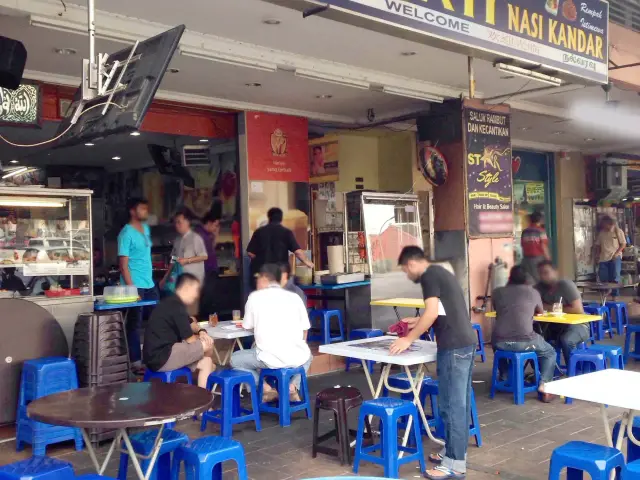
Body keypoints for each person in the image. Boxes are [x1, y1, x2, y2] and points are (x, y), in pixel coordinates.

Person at [392, 246, 477, 480]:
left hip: (454, 346)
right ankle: (451, 452)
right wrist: (417, 320)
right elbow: (442, 310)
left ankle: (455, 464)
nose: (407, 275)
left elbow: (431, 313)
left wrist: (408, 338)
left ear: (411, 264)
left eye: (405, 270)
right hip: (464, 343)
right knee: (455, 404)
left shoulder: (429, 276)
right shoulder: (441, 272)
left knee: (452, 406)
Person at [230, 263, 312, 403]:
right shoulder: (295, 298)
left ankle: (265, 388)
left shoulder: (255, 297)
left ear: (263, 279)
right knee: (307, 356)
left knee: (234, 359)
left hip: (269, 357)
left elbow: (248, 325)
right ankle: (291, 387)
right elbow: (305, 329)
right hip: (296, 355)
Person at [492, 266, 556, 403]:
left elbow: (499, 309)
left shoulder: (497, 292)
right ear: (527, 279)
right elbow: (539, 312)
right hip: (525, 340)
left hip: (500, 342)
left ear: (509, 278)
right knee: (549, 352)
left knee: (496, 341)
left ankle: (505, 376)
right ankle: (545, 385)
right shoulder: (533, 292)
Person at [143, 273, 215, 388]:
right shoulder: (176, 307)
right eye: (196, 290)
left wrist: (201, 331)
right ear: (186, 288)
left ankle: (203, 403)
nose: (197, 295)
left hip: (156, 357)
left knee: (206, 363)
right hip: (162, 356)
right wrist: (204, 338)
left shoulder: (170, 302)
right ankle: (210, 370)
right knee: (208, 344)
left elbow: (191, 321)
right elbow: (191, 340)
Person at [118, 198, 159, 370]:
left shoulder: (146, 229)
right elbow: (123, 265)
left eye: (146, 209)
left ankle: (155, 356)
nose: (145, 212)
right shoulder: (125, 234)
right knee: (134, 323)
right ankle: (135, 361)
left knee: (158, 320)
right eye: (142, 209)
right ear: (132, 211)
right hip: (135, 285)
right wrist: (131, 289)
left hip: (149, 283)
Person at [535, 260, 589, 366]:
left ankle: (573, 371)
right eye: (540, 273)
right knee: (535, 339)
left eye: (546, 272)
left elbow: (577, 309)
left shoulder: (566, 285)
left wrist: (551, 308)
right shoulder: (539, 287)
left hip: (578, 325)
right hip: (552, 326)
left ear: (555, 272)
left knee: (567, 340)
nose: (543, 276)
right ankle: (547, 372)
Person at [246, 207, 313, 288]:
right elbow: (297, 252)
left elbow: (250, 253)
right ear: (281, 218)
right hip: (280, 274)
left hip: (262, 273)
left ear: (269, 217)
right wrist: (308, 262)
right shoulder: (286, 232)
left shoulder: (259, 232)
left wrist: (260, 259)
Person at [196, 212, 221, 318]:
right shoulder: (199, 235)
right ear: (209, 223)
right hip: (205, 272)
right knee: (206, 301)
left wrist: (215, 236)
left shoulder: (207, 235)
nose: (216, 228)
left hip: (210, 271)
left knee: (211, 300)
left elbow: (211, 250)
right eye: (215, 225)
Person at [595, 215, 626, 298]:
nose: (605, 226)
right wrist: (597, 255)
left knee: (615, 276)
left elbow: (623, 244)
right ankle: (606, 293)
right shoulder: (601, 233)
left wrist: (616, 253)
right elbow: (598, 245)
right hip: (603, 258)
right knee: (603, 276)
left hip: (615, 257)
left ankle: (614, 296)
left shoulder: (618, 231)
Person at [520, 211, 550, 282]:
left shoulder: (525, 231)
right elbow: (543, 246)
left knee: (528, 279)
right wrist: (548, 260)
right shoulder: (541, 231)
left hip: (526, 259)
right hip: (537, 259)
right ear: (540, 220)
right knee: (539, 279)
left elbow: (523, 245)